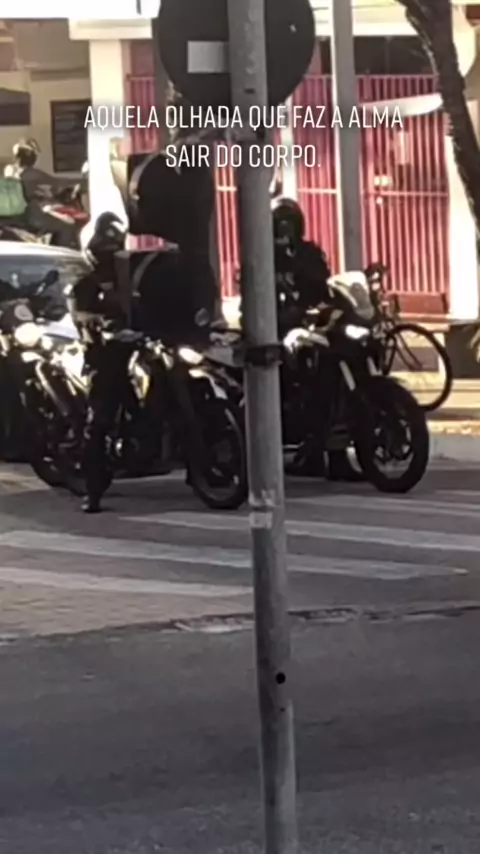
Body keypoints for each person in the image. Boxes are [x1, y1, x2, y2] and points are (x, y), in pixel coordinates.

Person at [66, 212, 130, 513]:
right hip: (106, 357)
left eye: (114, 247)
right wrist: (96, 323)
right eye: (104, 248)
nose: (109, 254)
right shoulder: (85, 284)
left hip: (138, 349)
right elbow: (79, 314)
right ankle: (93, 490)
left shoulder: (133, 278)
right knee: (100, 418)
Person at [10, 140, 78, 247]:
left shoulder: (14, 173)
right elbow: (56, 182)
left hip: (23, 213)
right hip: (33, 214)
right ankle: (61, 252)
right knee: (67, 225)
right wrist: (81, 182)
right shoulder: (31, 174)